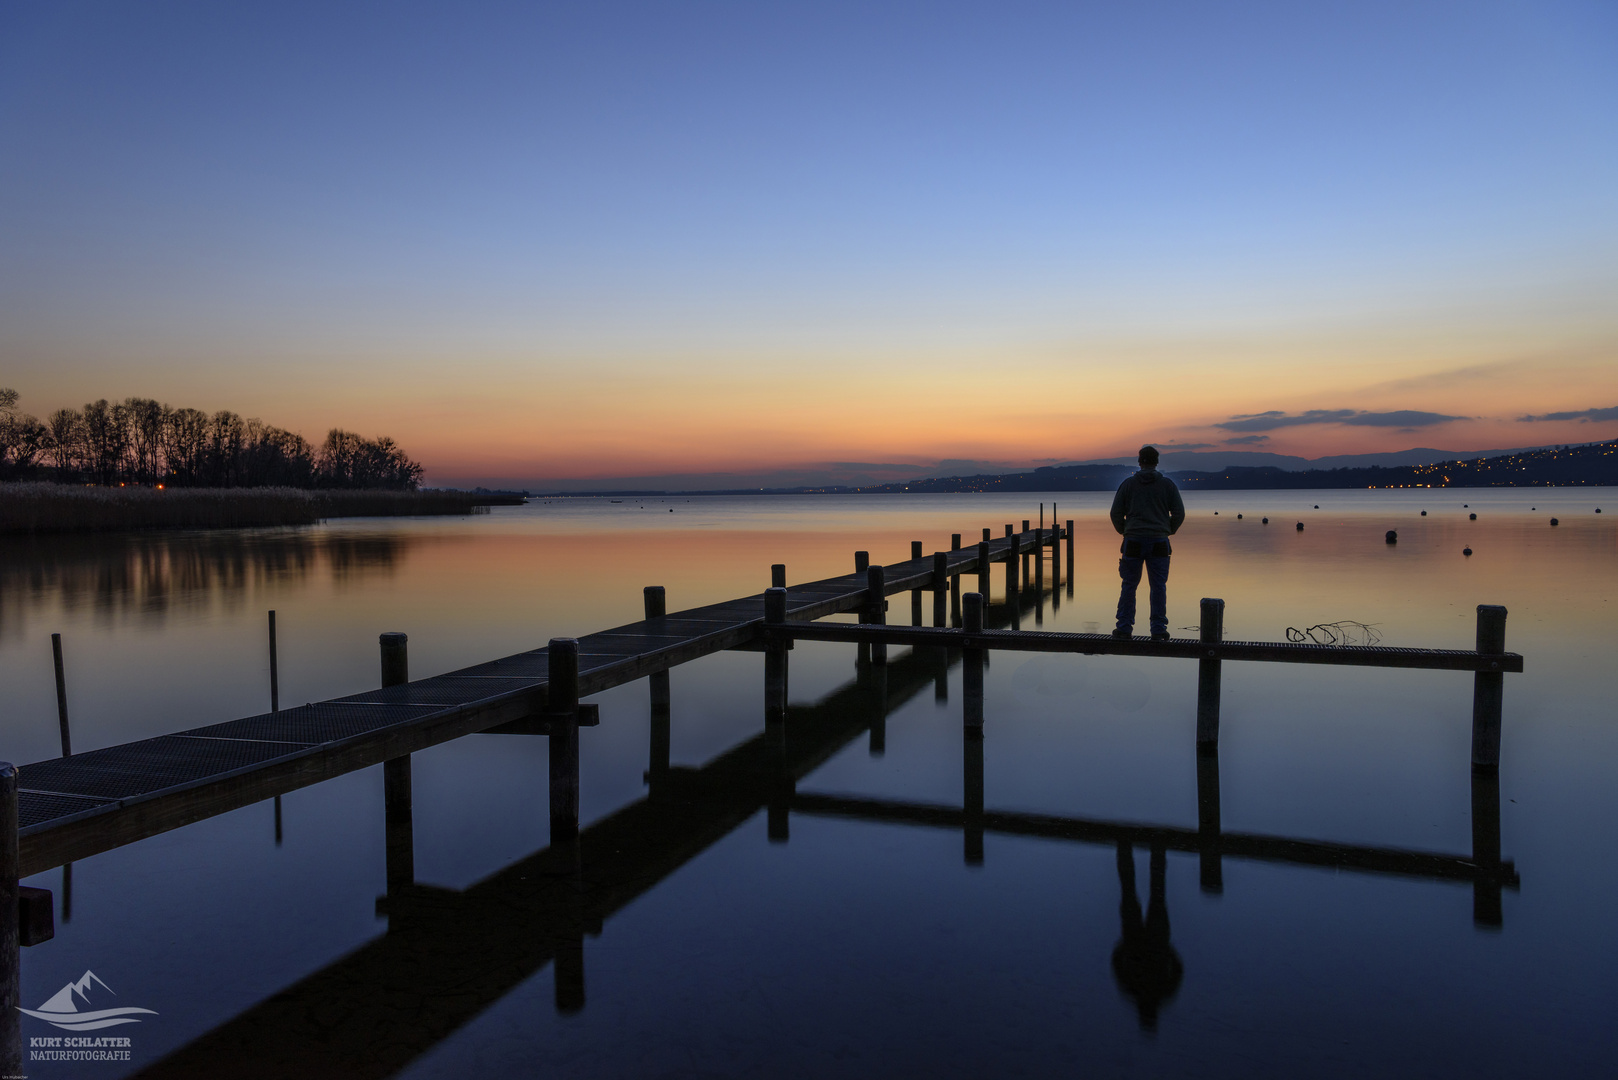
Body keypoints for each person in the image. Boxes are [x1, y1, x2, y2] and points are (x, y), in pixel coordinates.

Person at [1109, 445, 1184, 640]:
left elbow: (1115, 513)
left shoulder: (1127, 485)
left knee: (1129, 585)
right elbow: (1179, 513)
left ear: (1140, 461)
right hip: (1159, 541)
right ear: (1157, 462)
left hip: (1133, 540)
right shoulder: (1168, 485)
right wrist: (1168, 529)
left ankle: (1124, 628)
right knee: (1158, 586)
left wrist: (1125, 530)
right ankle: (1158, 629)